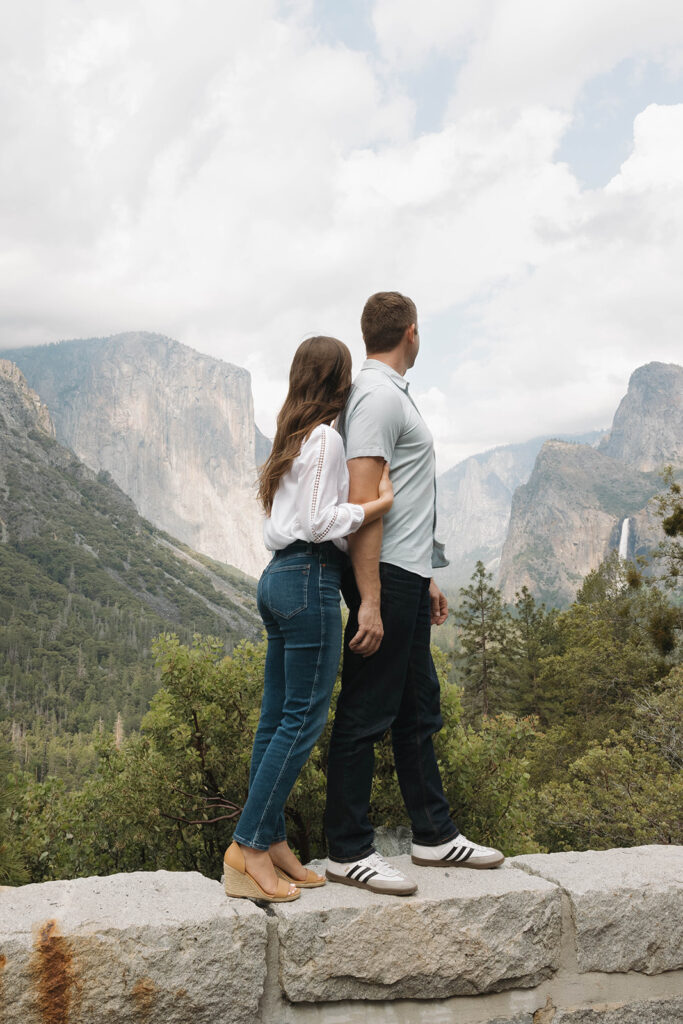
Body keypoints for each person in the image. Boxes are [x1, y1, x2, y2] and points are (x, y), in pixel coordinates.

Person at [324, 291, 504, 896]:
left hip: (403, 572)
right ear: (411, 332)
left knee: (418, 706)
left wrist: (424, 570)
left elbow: (398, 499)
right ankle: (347, 851)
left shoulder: (387, 393)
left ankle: (433, 835)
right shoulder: (376, 397)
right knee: (367, 711)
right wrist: (371, 598)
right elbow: (363, 502)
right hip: (384, 577)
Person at [223, 336, 393, 903]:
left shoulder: (290, 438)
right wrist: (376, 506)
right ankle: (248, 845)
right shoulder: (325, 438)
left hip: (277, 578)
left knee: (275, 720)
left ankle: (269, 842)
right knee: (302, 721)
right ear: (340, 381)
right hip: (309, 578)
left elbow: (293, 517)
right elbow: (321, 522)